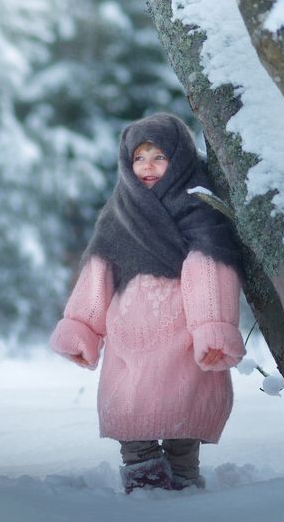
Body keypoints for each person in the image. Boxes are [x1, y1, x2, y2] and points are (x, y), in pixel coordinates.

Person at [49, 112, 245, 494]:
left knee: (182, 415)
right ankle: (144, 486)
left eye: (159, 156)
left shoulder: (200, 207)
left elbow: (209, 269)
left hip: (182, 334)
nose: (147, 167)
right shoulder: (119, 212)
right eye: (138, 157)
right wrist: (83, 326)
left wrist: (212, 326)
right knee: (130, 413)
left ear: (181, 158)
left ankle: (185, 485)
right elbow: (98, 271)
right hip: (129, 332)